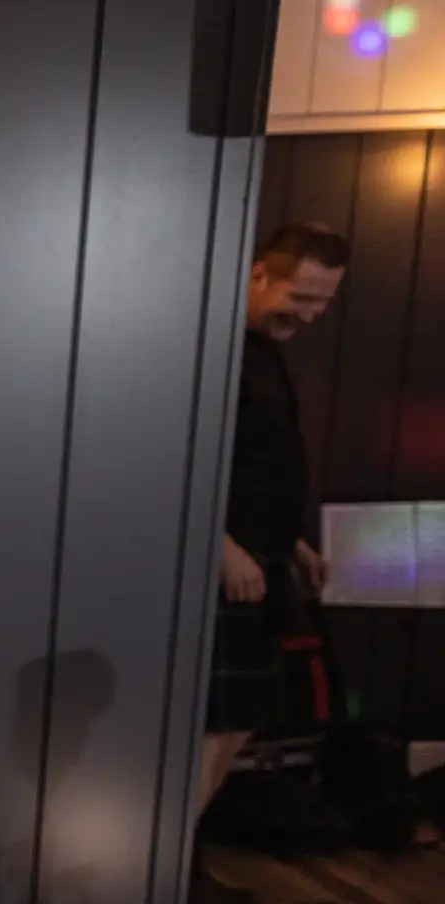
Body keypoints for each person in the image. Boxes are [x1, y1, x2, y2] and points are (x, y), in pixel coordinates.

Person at [198, 222, 349, 817]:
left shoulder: (261, 350)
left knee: (239, 722)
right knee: (213, 726)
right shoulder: (209, 346)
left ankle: (179, 870)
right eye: (302, 297)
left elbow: (260, 461)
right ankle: (163, 874)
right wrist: (220, 547)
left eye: (324, 302)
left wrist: (294, 543)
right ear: (259, 273)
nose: (311, 315)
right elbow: (171, 457)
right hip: (226, 566)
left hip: (266, 559)